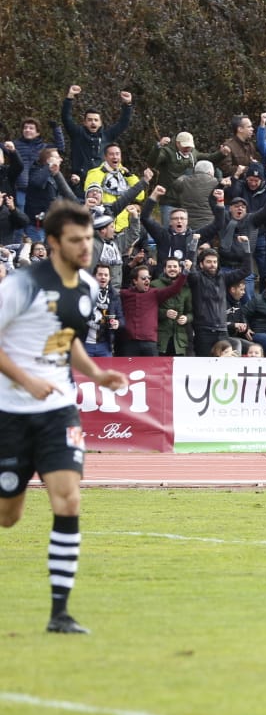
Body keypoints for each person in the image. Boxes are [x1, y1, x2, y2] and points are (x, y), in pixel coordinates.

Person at [0, 201, 128, 634]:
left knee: (68, 500)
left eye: (89, 237)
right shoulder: (22, 285)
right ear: (53, 243)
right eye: (76, 240)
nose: (86, 246)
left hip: (58, 410)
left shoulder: (89, 287)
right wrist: (26, 380)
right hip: (10, 413)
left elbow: (66, 339)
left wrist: (94, 372)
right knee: (8, 516)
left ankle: (60, 613)